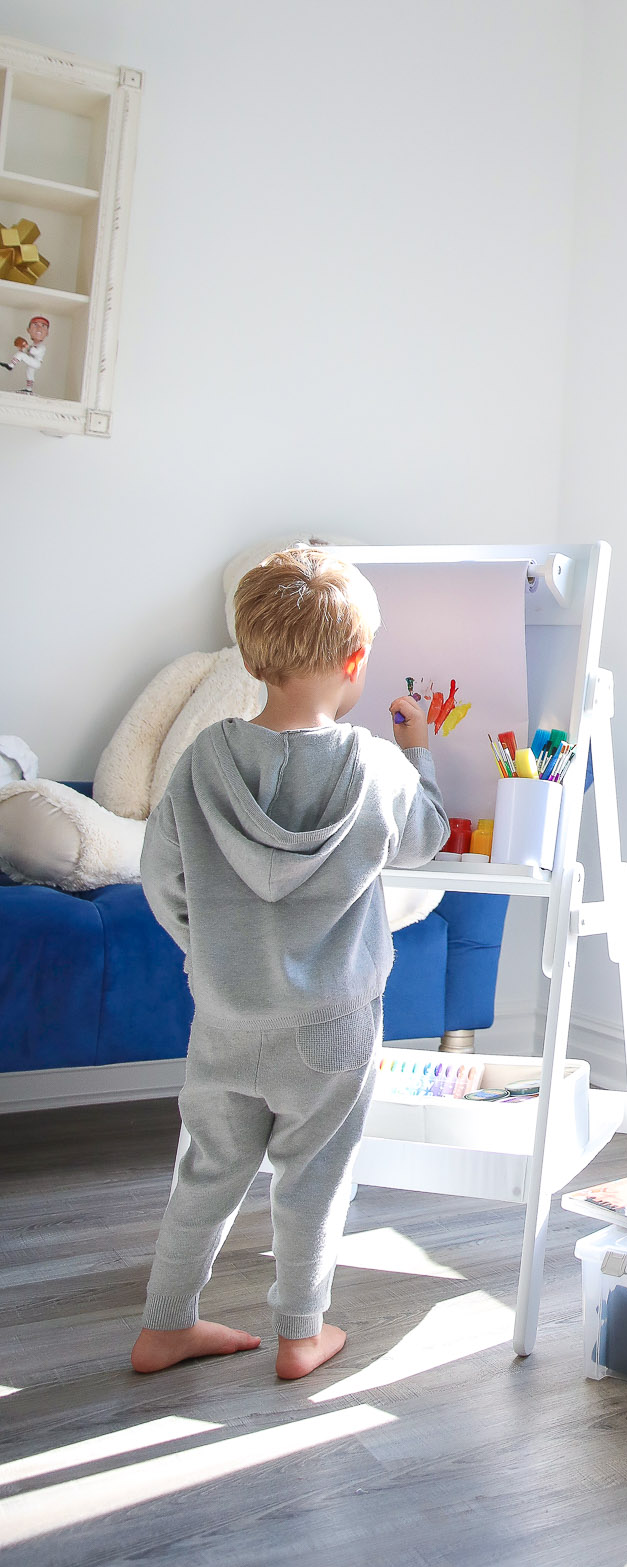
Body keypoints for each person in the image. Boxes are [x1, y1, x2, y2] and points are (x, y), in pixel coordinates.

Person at [130, 543, 449, 1380]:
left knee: (206, 1171)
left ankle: (166, 1326)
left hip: (226, 1015)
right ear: (357, 662)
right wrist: (418, 749)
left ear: (249, 655)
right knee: (314, 1179)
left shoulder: (202, 761)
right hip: (332, 1029)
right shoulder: (377, 768)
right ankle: (301, 1334)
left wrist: (207, 953)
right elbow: (426, 839)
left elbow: (158, 879)